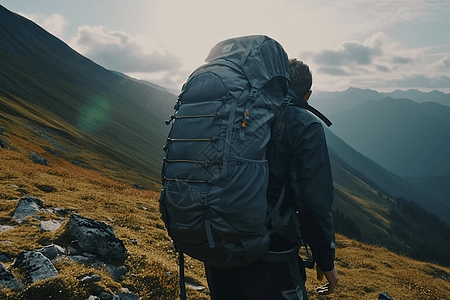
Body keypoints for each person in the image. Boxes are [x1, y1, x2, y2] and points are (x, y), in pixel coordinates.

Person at [204, 59, 338, 300]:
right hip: (269, 252)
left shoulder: (235, 112)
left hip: (218, 243)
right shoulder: (304, 124)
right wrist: (325, 260)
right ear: (307, 95)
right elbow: (314, 201)